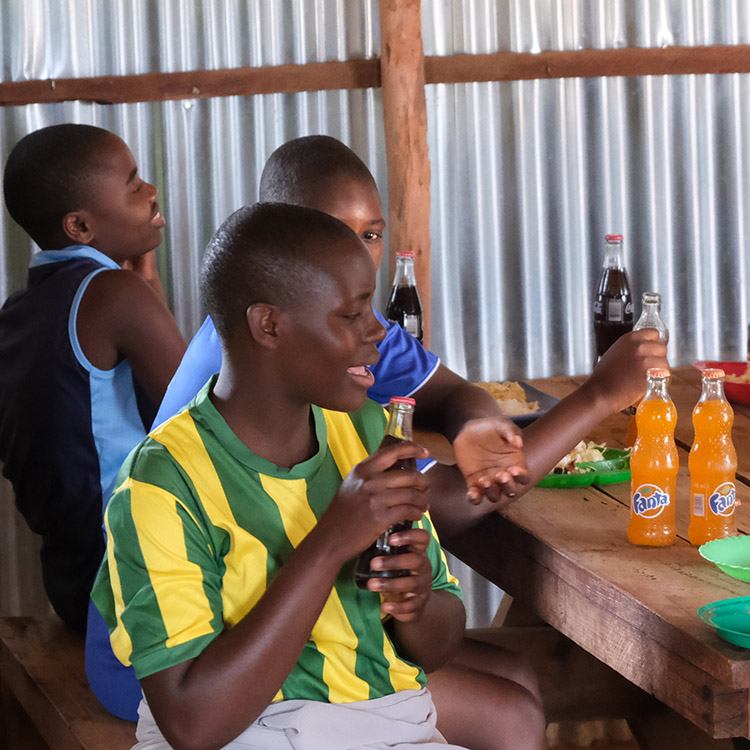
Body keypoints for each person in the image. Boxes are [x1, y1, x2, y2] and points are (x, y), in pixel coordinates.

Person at [146, 135, 668, 749]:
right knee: (511, 711)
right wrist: (598, 398)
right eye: (334, 235)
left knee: (518, 676)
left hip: (327, 646)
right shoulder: (193, 444)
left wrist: (473, 430)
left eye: (371, 235)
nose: (360, 259)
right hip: (227, 661)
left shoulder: (345, 359)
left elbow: (448, 408)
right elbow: (441, 501)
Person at [91, 202, 548, 750]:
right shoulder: (162, 483)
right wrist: (332, 540)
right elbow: (194, 724)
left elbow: (438, 646)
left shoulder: (366, 433)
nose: (378, 330)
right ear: (270, 326)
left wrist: (417, 604)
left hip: (392, 725)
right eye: (352, 314)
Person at [0, 123, 186, 634]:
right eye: (132, 185)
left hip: (72, 581)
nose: (150, 191)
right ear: (80, 227)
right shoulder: (113, 294)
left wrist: (144, 278)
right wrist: (141, 284)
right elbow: (204, 415)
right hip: (136, 584)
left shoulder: (19, 311)